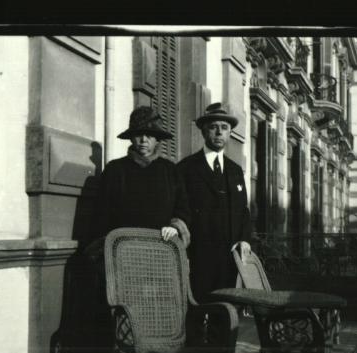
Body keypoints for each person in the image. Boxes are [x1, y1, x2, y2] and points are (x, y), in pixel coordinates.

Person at [177, 102, 252, 303]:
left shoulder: (235, 171)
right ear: (203, 131)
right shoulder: (186, 168)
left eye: (225, 128)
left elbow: (243, 211)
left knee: (226, 312)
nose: (219, 132)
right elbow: (180, 210)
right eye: (213, 127)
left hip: (229, 257)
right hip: (198, 256)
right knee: (196, 311)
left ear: (229, 134)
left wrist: (244, 239)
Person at [93, 106, 190, 244]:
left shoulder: (171, 171)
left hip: (161, 248)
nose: (144, 140)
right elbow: (101, 216)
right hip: (123, 250)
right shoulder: (114, 170)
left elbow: (182, 210)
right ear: (131, 138)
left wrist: (175, 228)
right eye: (139, 134)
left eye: (150, 135)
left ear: (157, 139)